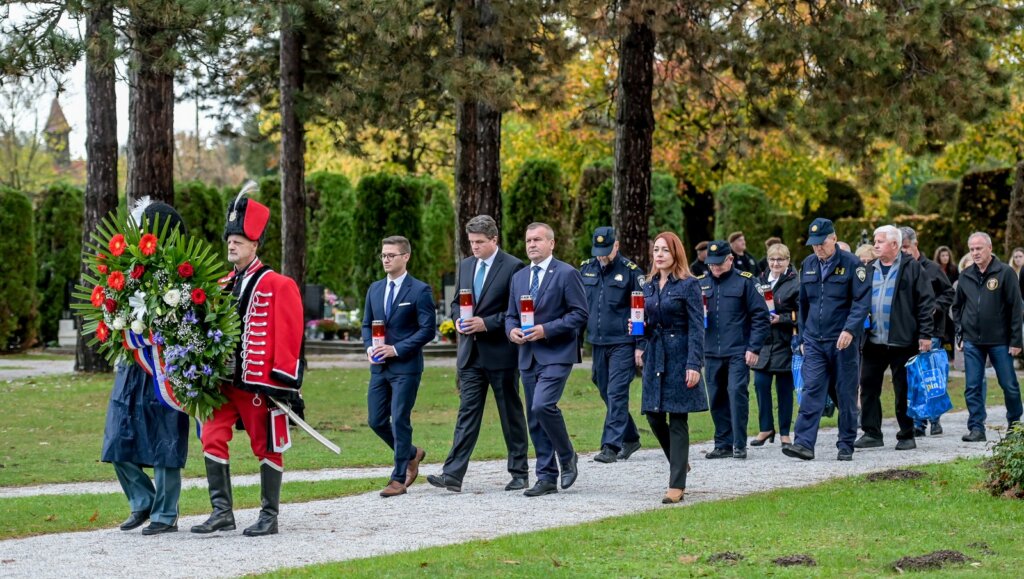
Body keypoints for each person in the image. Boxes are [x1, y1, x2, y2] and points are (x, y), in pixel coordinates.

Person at [193, 190, 304, 536]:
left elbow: (290, 334)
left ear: (255, 245)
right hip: (223, 382)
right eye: (230, 241)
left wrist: (283, 385)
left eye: (238, 241)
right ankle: (222, 512)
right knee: (210, 436)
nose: (232, 246)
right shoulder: (221, 284)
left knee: (265, 445)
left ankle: (269, 517)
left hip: (258, 383)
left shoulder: (277, 284)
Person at [102, 201, 190, 536]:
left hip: (166, 365)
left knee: (165, 435)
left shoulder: (182, 270)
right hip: (133, 361)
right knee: (117, 433)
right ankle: (142, 501)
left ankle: (166, 513)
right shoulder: (128, 267)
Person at [427, 216, 530, 493]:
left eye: (480, 243)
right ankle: (453, 474)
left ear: (494, 240)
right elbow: (455, 302)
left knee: (510, 414)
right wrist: (459, 318)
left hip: (501, 353)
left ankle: (519, 472)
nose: (474, 248)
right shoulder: (466, 265)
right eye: (471, 242)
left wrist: (487, 323)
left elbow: (518, 311)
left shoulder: (513, 266)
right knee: (467, 413)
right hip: (470, 354)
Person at [505, 223, 588, 497]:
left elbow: (579, 314)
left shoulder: (566, 273)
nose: (531, 244)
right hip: (527, 354)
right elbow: (510, 315)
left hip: (556, 352)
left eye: (537, 239)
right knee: (534, 417)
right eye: (528, 240)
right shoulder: (519, 278)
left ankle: (567, 456)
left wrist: (546, 329)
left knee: (543, 405)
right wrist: (511, 330)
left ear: (551, 243)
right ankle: (546, 476)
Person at [783, 218, 870, 461]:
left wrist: (850, 330)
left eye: (822, 243)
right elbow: (803, 304)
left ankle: (845, 444)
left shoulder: (853, 264)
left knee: (845, 393)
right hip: (814, 340)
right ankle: (804, 444)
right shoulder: (808, 264)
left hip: (842, 341)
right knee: (811, 390)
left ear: (833, 238)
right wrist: (801, 335)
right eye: (814, 244)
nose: (818, 248)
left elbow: (861, 301)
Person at [361, 235, 436, 497]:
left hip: (406, 367)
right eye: (383, 255)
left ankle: (398, 478)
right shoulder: (375, 289)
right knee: (375, 419)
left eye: (391, 255)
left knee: (400, 418)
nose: (385, 259)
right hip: (379, 368)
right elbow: (366, 325)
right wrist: (370, 347)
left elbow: (428, 330)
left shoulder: (419, 290)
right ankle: (412, 453)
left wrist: (396, 348)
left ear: (405, 257)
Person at [637, 232, 707, 503]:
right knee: (653, 415)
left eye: (665, 250)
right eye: (656, 249)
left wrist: (694, 363)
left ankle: (676, 484)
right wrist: (639, 338)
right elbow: (643, 319)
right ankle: (680, 460)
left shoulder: (688, 284)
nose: (659, 254)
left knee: (678, 416)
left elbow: (696, 327)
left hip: (680, 354)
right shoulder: (649, 284)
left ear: (676, 253)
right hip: (655, 354)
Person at [854, 226, 934, 452]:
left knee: (903, 390)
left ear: (895, 245)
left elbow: (926, 303)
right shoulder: (868, 269)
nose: (875, 245)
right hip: (873, 341)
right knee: (868, 387)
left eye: (880, 241)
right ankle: (871, 432)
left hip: (902, 340)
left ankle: (907, 434)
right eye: (875, 241)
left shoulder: (913, 268)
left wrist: (925, 334)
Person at [698, 241, 770, 459]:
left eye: (719, 264)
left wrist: (754, 347)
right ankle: (722, 443)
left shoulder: (746, 282)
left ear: (730, 259)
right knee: (717, 397)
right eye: (711, 264)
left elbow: (761, 317)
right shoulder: (700, 284)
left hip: (738, 350)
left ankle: (739, 443)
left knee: (736, 393)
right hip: (710, 352)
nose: (715, 268)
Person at [579, 226, 644, 463]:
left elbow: (640, 310)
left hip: (622, 342)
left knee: (617, 392)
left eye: (606, 250)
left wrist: (640, 344)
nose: (601, 255)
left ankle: (610, 446)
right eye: (598, 250)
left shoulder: (631, 272)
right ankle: (630, 437)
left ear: (616, 246)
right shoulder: (586, 269)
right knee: (604, 387)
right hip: (597, 341)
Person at [951, 232, 1023, 442]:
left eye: (979, 248)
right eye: (972, 249)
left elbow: (1016, 308)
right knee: (972, 386)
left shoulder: (1005, 273)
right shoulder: (965, 275)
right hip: (972, 341)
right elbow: (957, 308)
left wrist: (1016, 340)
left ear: (989, 248)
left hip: (1001, 341)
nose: (975, 253)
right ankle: (976, 428)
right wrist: (960, 333)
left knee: (1009, 384)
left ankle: (1015, 425)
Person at [901, 226, 955, 437]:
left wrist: (937, 306)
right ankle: (918, 422)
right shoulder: (900, 269)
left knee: (931, 375)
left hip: (931, 329)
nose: (904, 251)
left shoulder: (932, 268)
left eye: (906, 247)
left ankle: (934, 418)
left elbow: (949, 292)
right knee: (913, 377)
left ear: (915, 244)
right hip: (908, 331)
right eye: (901, 248)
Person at [750, 242, 799, 447]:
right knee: (760, 384)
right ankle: (766, 427)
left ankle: (785, 432)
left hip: (784, 341)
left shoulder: (795, 282)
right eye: (772, 259)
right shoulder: (760, 281)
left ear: (787, 260)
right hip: (763, 343)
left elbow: (802, 313)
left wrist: (783, 318)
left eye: (780, 259)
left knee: (784, 390)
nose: (775, 263)